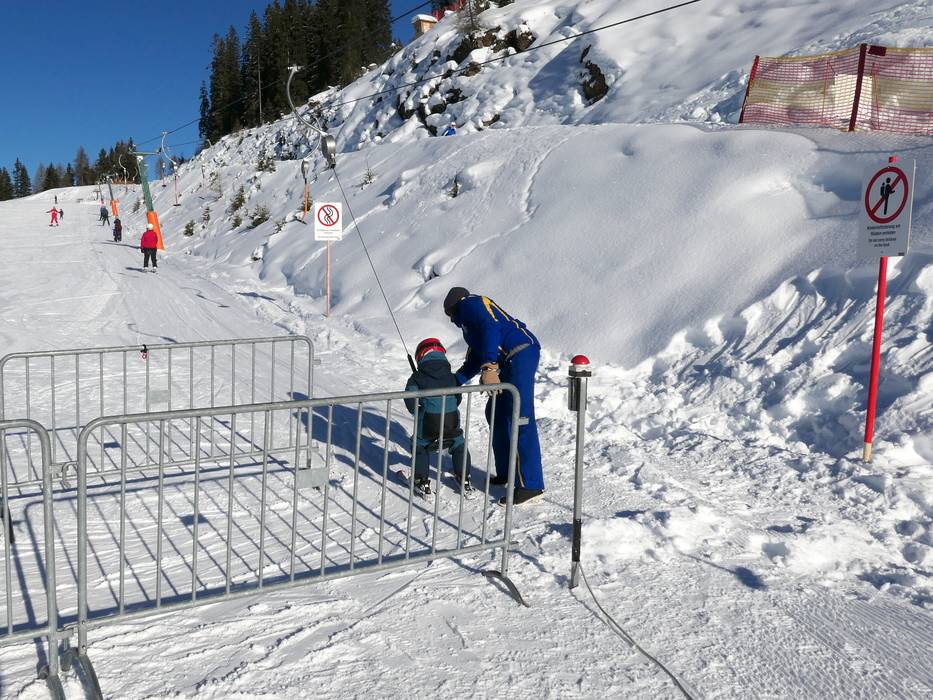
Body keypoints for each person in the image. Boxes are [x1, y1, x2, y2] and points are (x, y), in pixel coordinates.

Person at [444, 287, 543, 505]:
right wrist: (454, 381)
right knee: (496, 413)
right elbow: (474, 359)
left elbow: (491, 326)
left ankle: (531, 485)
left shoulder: (471, 304)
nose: (451, 320)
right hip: (506, 361)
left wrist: (489, 367)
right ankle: (507, 472)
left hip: (520, 352)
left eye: (449, 314)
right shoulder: (469, 328)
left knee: (520, 415)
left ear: (454, 306)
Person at [404, 338, 473, 496]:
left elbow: (410, 400)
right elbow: (458, 398)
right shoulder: (452, 377)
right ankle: (464, 478)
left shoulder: (416, 378)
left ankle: (421, 481)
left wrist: (418, 411)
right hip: (451, 422)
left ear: (420, 357)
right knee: (459, 444)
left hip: (429, 423)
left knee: (419, 445)